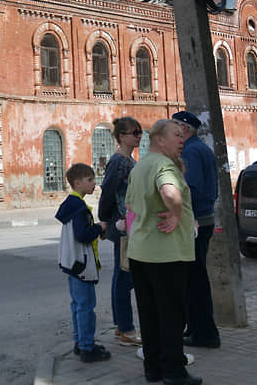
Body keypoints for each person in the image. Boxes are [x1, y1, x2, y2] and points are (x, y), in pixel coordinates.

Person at [127, 119, 202, 385]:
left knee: (149, 314)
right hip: (166, 254)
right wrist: (177, 213)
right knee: (171, 315)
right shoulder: (163, 165)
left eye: (183, 135)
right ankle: (174, 372)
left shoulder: (140, 166)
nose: (182, 139)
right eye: (177, 135)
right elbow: (170, 192)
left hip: (141, 252)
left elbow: (131, 207)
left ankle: (153, 368)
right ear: (159, 138)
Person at [171, 111, 220, 349]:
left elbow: (189, 188)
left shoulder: (190, 151)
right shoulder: (200, 149)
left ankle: (205, 334)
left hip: (197, 220)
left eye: (175, 127)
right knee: (195, 278)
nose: (174, 132)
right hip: (204, 217)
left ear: (185, 128)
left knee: (195, 281)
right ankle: (197, 328)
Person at [56, 163, 112, 363]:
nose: (94, 184)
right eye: (90, 180)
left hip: (73, 265)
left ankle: (80, 343)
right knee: (86, 306)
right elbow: (82, 235)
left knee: (78, 305)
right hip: (82, 265)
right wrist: (99, 227)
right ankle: (87, 348)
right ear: (77, 183)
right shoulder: (78, 207)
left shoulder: (71, 204)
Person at [97, 116, 143, 348]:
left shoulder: (127, 159)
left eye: (140, 132)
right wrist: (104, 220)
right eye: (135, 132)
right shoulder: (119, 161)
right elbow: (107, 192)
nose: (139, 136)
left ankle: (120, 326)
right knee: (125, 276)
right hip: (123, 224)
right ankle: (125, 328)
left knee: (122, 274)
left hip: (127, 223)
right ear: (122, 136)